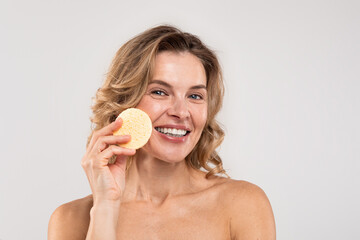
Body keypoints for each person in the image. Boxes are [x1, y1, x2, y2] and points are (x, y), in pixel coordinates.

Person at [48, 25, 276, 240]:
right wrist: (106, 206)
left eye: (195, 96)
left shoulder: (243, 205)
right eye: (159, 92)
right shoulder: (70, 220)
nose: (181, 112)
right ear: (126, 102)